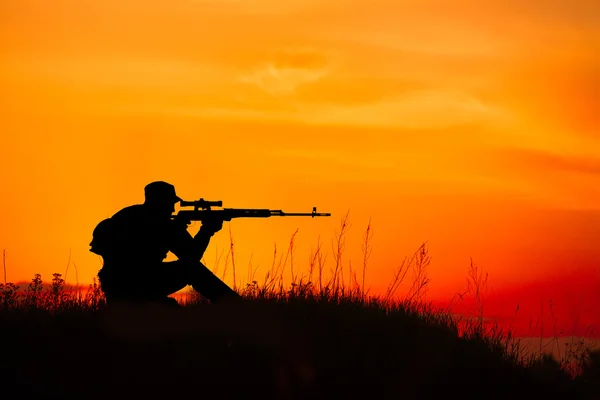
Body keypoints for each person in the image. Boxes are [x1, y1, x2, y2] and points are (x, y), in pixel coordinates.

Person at [89, 181, 241, 307]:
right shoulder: (162, 224)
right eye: (170, 203)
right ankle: (238, 309)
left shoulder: (127, 214)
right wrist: (206, 231)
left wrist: (178, 229)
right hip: (138, 284)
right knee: (191, 269)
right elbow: (192, 257)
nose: (172, 208)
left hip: (118, 287)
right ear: (160, 202)